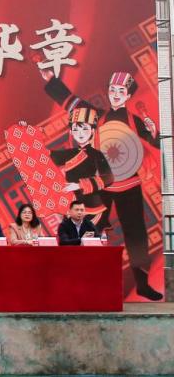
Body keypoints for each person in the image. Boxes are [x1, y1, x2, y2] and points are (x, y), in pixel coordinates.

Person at [43, 69, 162, 299]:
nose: (116, 94)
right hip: (101, 183)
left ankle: (142, 284)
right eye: (113, 90)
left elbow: (157, 142)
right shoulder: (98, 115)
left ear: (128, 95)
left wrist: (154, 131)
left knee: (136, 235)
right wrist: (51, 80)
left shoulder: (135, 121)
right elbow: (73, 104)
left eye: (121, 91)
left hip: (129, 183)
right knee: (90, 230)